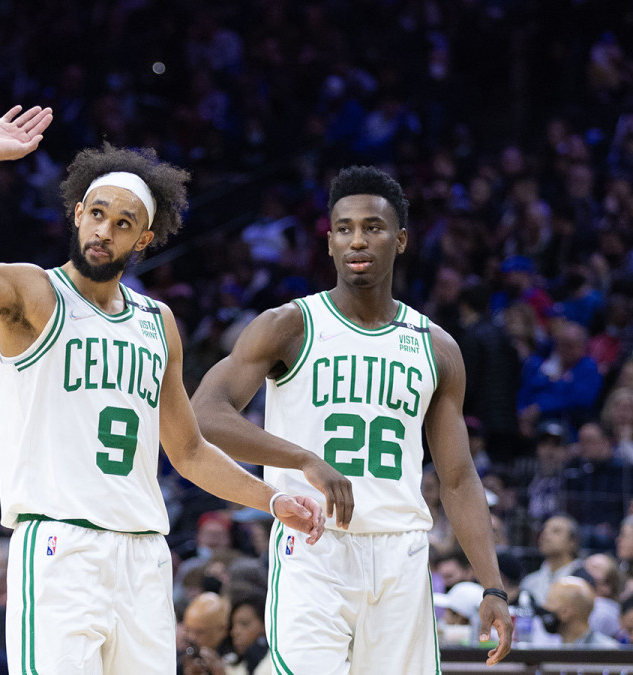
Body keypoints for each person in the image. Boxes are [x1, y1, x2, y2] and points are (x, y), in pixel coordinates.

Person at [0, 106, 324, 673]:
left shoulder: (159, 323)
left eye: (122, 223)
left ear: (143, 238)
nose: (104, 230)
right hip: (60, 546)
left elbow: (190, 451)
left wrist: (270, 500)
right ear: (77, 214)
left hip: (144, 555)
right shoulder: (34, 295)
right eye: (96, 214)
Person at [192, 165, 512, 672]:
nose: (357, 240)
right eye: (344, 229)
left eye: (373, 227)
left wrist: (492, 583)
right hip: (315, 544)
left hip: (401, 553)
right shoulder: (290, 325)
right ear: (329, 242)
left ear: (401, 240)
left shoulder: (436, 347)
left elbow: (457, 477)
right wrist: (303, 460)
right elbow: (205, 414)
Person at [521, 515, 583, 606]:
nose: (546, 535)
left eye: (556, 531)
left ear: (572, 542)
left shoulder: (583, 580)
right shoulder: (529, 582)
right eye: (544, 530)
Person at [541, 577, 619, 646]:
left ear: (565, 612)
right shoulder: (548, 646)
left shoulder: (608, 652)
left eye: (549, 602)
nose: (544, 607)